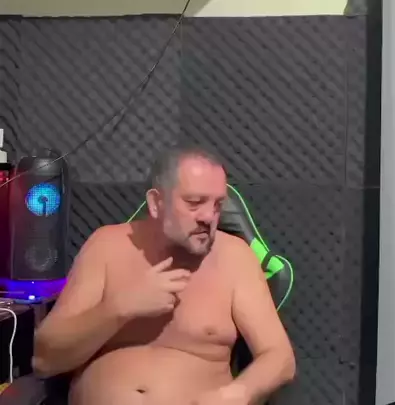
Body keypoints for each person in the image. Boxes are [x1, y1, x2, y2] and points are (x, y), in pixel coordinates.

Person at [32, 146, 296, 405]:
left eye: (218, 205)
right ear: (156, 203)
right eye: (194, 203)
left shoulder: (234, 258)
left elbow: (280, 358)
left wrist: (240, 393)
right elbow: (45, 360)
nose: (209, 216)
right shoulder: (107, 246)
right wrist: (119, 308)